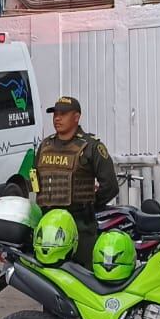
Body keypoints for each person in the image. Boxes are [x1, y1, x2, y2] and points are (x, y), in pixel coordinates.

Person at [30, 96, 118, 266]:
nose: (57, 118)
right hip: (49, 226)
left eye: (63, 114)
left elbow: (110, 186)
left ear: (76, 117)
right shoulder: (45, 145)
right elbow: (34, 178)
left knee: (82, 275)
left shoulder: (91, 146)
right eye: (55, 114)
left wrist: (90, 205)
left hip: (80, 226)